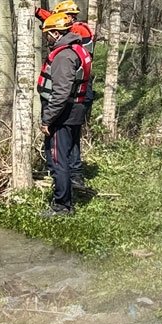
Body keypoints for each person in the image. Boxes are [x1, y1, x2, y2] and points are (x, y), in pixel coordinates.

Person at [37, 12, 94, 216]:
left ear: (56, 33)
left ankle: (62, 205)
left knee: (57, 159)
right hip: (74, 111)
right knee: (66, 156)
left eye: (48, 34)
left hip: (63, 115)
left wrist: (47, 119)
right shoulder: (78, 49)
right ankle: (66, 195)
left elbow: (61, 93)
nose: (47, 38)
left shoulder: (63, 57)